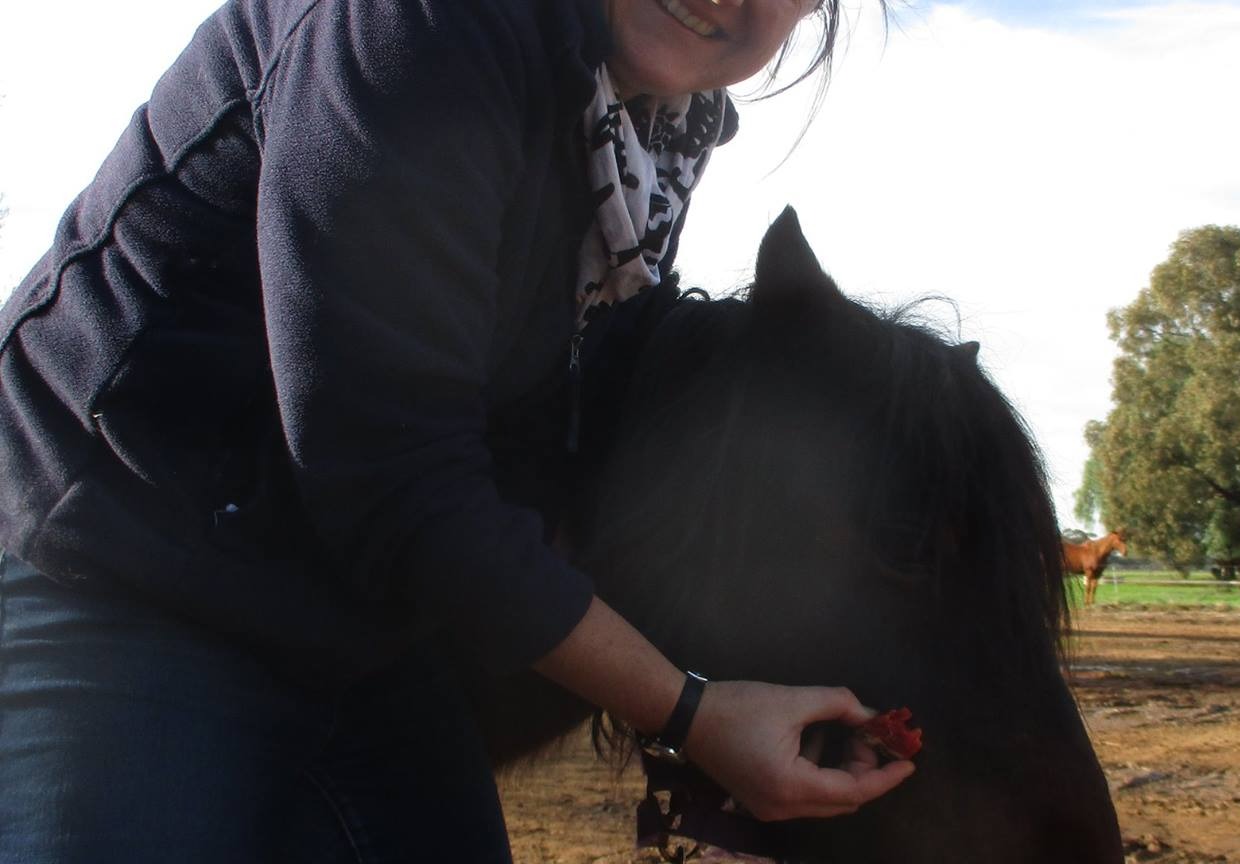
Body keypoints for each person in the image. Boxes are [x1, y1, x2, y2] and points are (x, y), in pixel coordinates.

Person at [0, 0, 913, 860]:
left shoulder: (656, 124)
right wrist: (691, 712)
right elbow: (395, 474)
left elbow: (552, 415)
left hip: (352, 614)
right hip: (111, 559)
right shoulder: (426, 25)